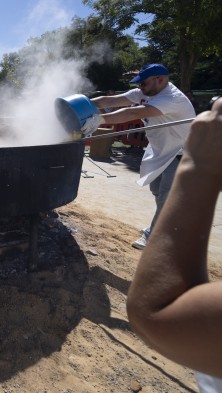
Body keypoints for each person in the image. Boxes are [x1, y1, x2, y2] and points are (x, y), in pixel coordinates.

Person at [126, 97, 222, 392]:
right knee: (160, 198)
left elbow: (153, 314)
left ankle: (151, 232)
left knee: (167, 201)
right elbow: (120, 102)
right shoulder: (145, 92)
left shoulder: (171, 98)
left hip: (174, 159)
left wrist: (199, 165)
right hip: (159, 159)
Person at [82, 64, 195, 250]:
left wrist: (98, 120)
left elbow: (133, 112)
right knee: (157, 190)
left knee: (166, 196)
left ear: (160, 80)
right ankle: (169, 222)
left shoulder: (171, 98)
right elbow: (111, 101)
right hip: (160, 148)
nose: (140, 87)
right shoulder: (146, 91)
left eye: (143, 83)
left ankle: (154, 235)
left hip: (181, 152)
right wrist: (82, 105)